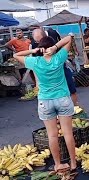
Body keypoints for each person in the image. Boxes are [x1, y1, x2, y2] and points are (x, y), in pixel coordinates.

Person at [13, 35, 76, 172]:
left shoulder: (35, 62)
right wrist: (55, 48)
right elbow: (69, 38)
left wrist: (33, 51)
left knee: (52, 135)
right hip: (63, 99)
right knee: (68, 133)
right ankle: (73, 163)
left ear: (40, 47)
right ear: (52, 47)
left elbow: (16, 54)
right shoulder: (59, 58)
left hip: (45, 101)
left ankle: (58, 164)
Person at [32, 29, 79, 106]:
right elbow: (34, 65)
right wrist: (37, 81)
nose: (40, 44)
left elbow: (68, 38)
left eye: (40, 40)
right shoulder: (34, 45)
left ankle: (75, 108)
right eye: (37, 42)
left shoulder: (53, 33)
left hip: (60, 68)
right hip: (45, 73)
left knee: (71, 90)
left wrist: (54, 47)